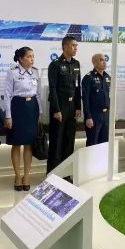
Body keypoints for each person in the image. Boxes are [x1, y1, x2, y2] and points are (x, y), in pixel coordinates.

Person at [4, 47, 42, 191]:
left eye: (33, 56)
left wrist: (40, 112)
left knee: (29, 144)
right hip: (17, 107)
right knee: (16, 143)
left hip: (32, 108)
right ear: (20, 58)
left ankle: (26, 175)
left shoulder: (35, 72)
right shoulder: (12, 72)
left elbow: (38, 94)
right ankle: (18, 176)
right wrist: (8, 115)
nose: (32, 59)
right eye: (29, 57)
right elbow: (7, 95)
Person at [46, 36, 81, 175]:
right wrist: (56, 109)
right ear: (65, 46)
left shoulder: (76, 64)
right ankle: (53, 173)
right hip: (60, 106)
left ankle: (66, 173)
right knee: (57, 140)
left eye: (76, 46)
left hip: (72, 107)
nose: (75, 48)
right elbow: (53, 88)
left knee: (69, 140)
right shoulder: (55, 64)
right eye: (73, 45)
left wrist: (78, 107)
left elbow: (78, 87)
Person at [81, 54, 111, 147]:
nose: (104, 62)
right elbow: (85, 99)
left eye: (105, 60)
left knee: (104, 144)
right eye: (101, 60)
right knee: (92, 143)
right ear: (94, 63)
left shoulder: (107, 77)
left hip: (106, 116)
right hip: (94, 115)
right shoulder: (89, 77)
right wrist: (88, 117)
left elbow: (109, 96)